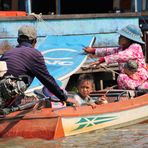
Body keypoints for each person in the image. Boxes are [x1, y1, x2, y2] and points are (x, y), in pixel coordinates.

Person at [0, 25, 79, 107]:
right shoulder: (34, 54)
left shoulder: (7, 54)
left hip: (4, 97)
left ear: (18, 40)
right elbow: (47, 80)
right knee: (40, 103)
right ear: (34, 41)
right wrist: (64, 97)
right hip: (9, 100)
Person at [83, 24, 148, 89]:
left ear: (128, 39)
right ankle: (135, 88)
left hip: (141, 80)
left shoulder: (136, 47)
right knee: (122, 77)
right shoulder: (121, 49)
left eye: (121, 36)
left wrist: (103, 60)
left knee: (121, 77)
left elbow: (121, 55)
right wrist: (93, 51)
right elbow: (108, 51)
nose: (119, 38)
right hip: (131, 79)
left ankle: (138, 88)